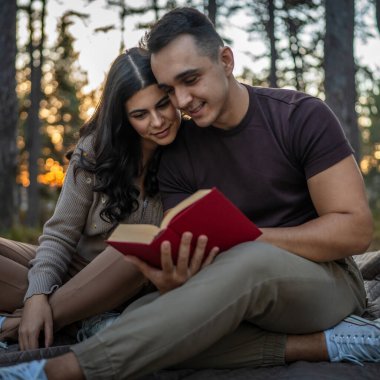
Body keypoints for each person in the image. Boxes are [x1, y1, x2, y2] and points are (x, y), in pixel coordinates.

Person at [1, 7, 380, 380]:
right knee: (134, 321)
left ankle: (58, 370)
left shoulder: (299, 116)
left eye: (191, 79)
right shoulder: (180, 153)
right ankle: (324, 344)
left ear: (226, 60)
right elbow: (187, 253)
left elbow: (355, 231)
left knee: (247, 261)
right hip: (229, 282)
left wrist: (253, 240)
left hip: (323, 280)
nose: (181, 101)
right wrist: (173, 279)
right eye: (170, 90)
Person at [0, 46, 213, 352]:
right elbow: (61, 234)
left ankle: (19, 325)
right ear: (123, 117)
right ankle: (81, 322)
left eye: (163, 105)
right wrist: (36, 296)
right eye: (140, 114)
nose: (157, 121)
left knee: (138, 244)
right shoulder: (94, 150)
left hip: (134, 282)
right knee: (36, 273)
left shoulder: (193, 152)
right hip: (77, 271)